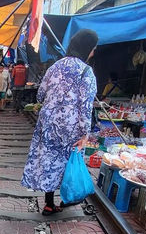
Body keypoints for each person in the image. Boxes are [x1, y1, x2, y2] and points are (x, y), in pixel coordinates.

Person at [21, 29, 99, 215]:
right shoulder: (86, 72)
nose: (93, 52)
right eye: (93, 48)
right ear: (87, 48)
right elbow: (86, 106)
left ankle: (48, 203)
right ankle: (67, 198)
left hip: (48, 124)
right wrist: (85, 133)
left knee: (49, 161)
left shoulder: (54, 67)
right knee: (68, 162)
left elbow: (40, 95)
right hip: (70, 127)